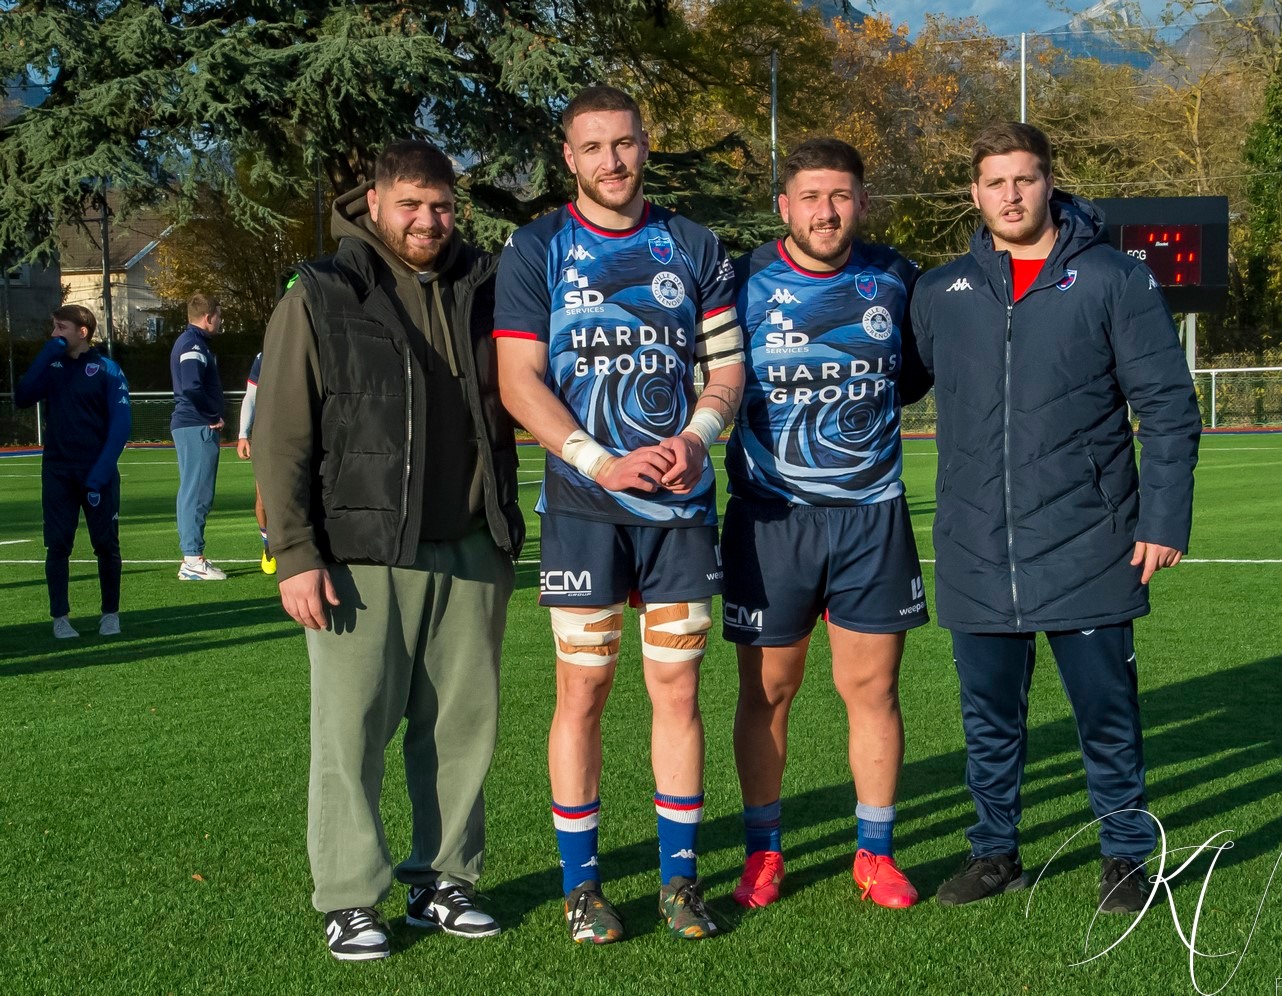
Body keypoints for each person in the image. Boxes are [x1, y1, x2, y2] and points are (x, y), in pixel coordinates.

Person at [910, 121, 1201, 914]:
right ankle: (994, 852)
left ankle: (1125, 855)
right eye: (994, 181)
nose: (1010, 194)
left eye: (1025, 179)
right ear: (973, 193)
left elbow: (1168, 407)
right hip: (974, 546)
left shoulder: (1111, 277)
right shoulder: (938, 294)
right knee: (988, 722)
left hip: (1089, 542)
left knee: (1106, 718)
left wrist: (1164, 517)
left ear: (1048, 184)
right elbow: (885, 377)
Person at [255, 140, 525, 962]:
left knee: (459, 729)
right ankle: (348, 896)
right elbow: (282, 432)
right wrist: (295, 552)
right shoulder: (321, 293)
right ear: (372, 204)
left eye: (440, 205)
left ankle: (444, 881)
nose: (427, 221)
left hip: (472, 544)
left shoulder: (489, 286)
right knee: (352, 732)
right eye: (410, 204)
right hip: (359, 552)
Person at [494, 84, 744, 944]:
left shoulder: (695, 245)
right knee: (584, 688)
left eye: (626, 143)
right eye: (593, 147)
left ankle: (680, 881)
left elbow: (724, 370)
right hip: (581, 509)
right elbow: (518, 380)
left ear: (647, 145)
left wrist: (697, 437)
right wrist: (601, 462)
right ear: (569, 157)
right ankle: (582, 885)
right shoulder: (536, 249)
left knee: (676, 688)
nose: (612, 161)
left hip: (677, 510)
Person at [722, 138, 931, 911]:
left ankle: (874, 853)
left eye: (840, 195)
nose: (825, 210)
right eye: (809, 196)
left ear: (861, 204)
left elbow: (910, 378)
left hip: (870, 517)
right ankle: (762, 852)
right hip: (770, 519)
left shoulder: (895, 278)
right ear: (784, 206)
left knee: (871, 688)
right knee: (768, 691)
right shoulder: (740, 280)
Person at [15, 304, 131, 638]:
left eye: (60, 328)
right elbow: (23, 396)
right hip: (57, 471)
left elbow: (121, 426)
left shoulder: (107, 369)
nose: (54, 334)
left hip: (97, 473)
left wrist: (99, 474)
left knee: (106, 545)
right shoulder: (52, 367)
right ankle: (60, 618)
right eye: (53, 327)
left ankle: (110, 614)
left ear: (82, 331)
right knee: (58, 545)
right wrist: (48, 351)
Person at [169, 292, 227, 580]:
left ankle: (191, 556)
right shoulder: (193, 344)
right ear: (208, 317)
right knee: (198, 492)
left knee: (193, 490)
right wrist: (211, 415)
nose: (221, 321)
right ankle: (192, 560)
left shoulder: (194, 342)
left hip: (191, 424)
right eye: (219, 316)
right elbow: (192, 386)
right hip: (196, 425)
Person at [236, 351, 275, 574]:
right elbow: (251, 397)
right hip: (265, 433)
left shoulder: (305, 347)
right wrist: (243, 434)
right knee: (263, 497)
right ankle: (267, 544)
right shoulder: (262, 357)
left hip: (298, 432)